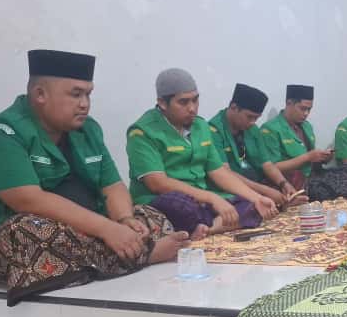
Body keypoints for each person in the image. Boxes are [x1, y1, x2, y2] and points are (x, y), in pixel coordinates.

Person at [0, 50, 190, 305]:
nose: (84, 104)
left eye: (88, 94)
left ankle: (120, 253)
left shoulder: (88, 129)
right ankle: (144, 254)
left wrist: (125, 220)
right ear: (40, 94)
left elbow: (112, 186)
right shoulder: (2, 132)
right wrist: (107, 229)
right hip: (14, 236)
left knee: (150, 214)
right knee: (30, 232)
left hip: (84, 225)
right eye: (75, 94)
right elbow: (28, 200)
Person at [126, 69, 281, 239]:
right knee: (180, 206)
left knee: (252, 205)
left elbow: (218, 171)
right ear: (162, 103)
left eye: (195, 100)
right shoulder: (142, 132)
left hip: (201, 199)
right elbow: (158, 183)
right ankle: (211, 223)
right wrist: (211, 198)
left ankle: (207, 229)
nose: (192, 108)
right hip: (164, 199)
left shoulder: (201, 126)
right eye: (183, 102)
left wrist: (256, 197)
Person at [208, 83, 305, 206]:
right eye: (249, 117)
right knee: (244, 204)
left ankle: (283, 202)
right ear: (233, 107)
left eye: (256, 118)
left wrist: (283, 184)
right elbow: (225, 173)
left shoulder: (252, 129)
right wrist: (265, 191)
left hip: (255, 181)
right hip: (232, 186)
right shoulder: (213, 131)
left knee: (294, 177)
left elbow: (267, 164)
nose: (252, 122)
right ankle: (275, 204)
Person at [260, 84, 333, 189]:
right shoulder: (270, 129)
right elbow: (271, 168)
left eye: (309, 109)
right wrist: (307, 157)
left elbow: (311, 160)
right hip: (287, 185)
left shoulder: (307, 126)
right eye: (302, 109)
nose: (306, 113)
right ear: (289, 103)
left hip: (312, 180)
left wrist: (323, 158)